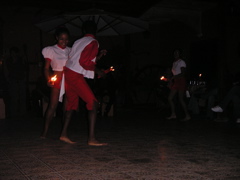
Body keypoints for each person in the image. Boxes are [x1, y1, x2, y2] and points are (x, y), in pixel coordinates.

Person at [59, 20, 108, 146]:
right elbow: (85, 62)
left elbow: (81, 59)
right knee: (93, 103)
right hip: (75, 75)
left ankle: (63, 134)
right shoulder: (93, 42)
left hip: (69, 72)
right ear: (95, 31)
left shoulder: (79, 41)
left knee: (71, 105)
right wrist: (99, 71)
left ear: (83, 31)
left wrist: (99, 56)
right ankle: (91, 138)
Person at [40, 26, 71, 138]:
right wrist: (48, 79)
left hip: (68, 79)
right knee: (52, 106)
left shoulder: (70, 50)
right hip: (57, 79)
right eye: (62, 39)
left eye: (66, 39)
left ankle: (64, 132)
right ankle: (45, 132)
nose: (64, 41)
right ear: (57, 38)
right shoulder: (51, 50)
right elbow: (46, 68)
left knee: (66, 107)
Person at [167, 48, 191, 121]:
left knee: (181, 99)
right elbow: (174, 73)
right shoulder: (174, 63)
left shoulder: (181, 62)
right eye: (175, 52)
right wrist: (171, 81)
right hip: (176, 81)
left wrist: (174, 77)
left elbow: (183, 73)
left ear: (180, 54)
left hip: (181, 81)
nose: (175, 54)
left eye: (177, 53)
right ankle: (173, 114)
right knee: (170, 98)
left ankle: (187, 115)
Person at [4, 46, 27, 118]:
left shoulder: (20, 60)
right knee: (14, 97)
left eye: (14, 52)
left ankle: (22, 113)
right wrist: (7, 78)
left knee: (22, 96)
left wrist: (24, 78)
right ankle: (13, 113)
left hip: (20, 80)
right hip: (13, 80)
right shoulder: (8, 60)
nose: (13, 54)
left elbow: (24, 69)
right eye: (12, 53)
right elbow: (6, 70)